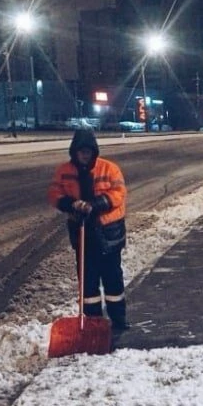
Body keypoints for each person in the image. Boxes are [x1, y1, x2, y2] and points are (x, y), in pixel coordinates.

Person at [47, 130, 129, 331]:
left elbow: (119, 193)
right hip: (83, 233)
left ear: (94, 151)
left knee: (112, 279)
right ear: (74, 152)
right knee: (88, 283)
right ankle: (94, 323)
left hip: (108, 233)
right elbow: (54, 193)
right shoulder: (64, 171)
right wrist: (71, 204)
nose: (85, 155)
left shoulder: (109, 169)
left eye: (88, 151)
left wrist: (96, 204)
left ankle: (118, 320)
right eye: (81, 151)